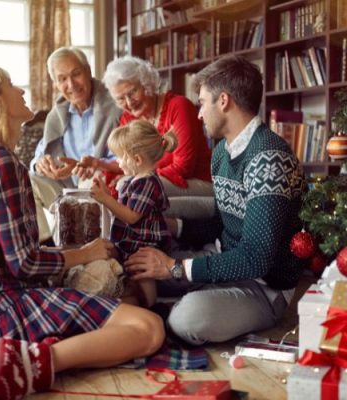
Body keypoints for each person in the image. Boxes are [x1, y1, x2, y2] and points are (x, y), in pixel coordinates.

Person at [0, 67, 164, 400]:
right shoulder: (0, 162)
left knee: (123, 302)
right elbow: (25, 263)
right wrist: (87, 252)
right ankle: (28, 363)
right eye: (9, 86)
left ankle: (31, 354)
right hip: (6, 307)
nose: (20, 89)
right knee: (149, 328)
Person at [124, 55, 306, 346]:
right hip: (220, 257)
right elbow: (222, 223)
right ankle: (173, 305)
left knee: (188, 318)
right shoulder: (222, 152)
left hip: (263, 286)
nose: (198, 114)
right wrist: (174, 227)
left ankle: (174, 311)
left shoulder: (270, 158)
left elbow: (256, 258)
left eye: (201, 102)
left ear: (223, 101)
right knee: (137, 272)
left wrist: (173, 267)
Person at [73, 56, 213, 217]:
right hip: (159, 179)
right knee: (98, 182)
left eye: (132, 92)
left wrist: (136, 177)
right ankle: (104, 238)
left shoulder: (179, 106)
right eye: (120, 98)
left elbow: (183, 167)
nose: (129, 102)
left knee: (128, 186)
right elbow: (130, 161)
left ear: (147, 84)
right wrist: (99, 164)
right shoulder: (128, 119)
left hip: (196, 181)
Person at [29, 46, 122, 243]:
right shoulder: (57, 114)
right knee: (28, 182)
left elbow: (125, 156)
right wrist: (41, 165)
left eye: (76, 74)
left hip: (99, 184)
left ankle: (94, 248)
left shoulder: (114, 105)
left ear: (88, 71)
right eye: (62, 79)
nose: (71, 84)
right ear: (56, 83)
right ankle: (46, 247)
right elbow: (40, 154)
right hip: (66, 190)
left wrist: (94, 164)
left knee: (90, 180)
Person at [90, 120, 177, 307]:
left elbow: (131, 216)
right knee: (128, 272)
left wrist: (106, 199)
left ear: (137, 160)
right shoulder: (133, 180)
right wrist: (106, 194)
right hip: (130, 240)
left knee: (142, 273)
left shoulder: (147, 183)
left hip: (144, 244)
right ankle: (128, 297)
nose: (117, 163)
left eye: (120, 157)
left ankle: (152, 306)